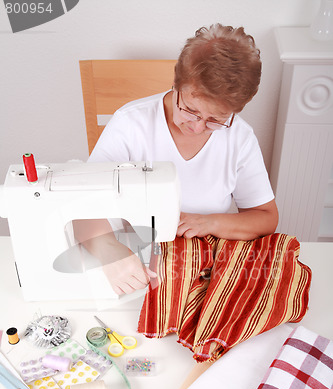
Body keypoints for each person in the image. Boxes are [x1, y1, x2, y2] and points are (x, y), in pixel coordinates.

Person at [74, 23, 278, 295]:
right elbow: (81, 204)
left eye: (216, 120)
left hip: (201, 269)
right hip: (133, 268)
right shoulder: (130, 124)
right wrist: (108, 250)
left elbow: (265, 217)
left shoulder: (239, 138)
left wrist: (211, 222)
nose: (196, 127)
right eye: (190, 110)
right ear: (176, 84)